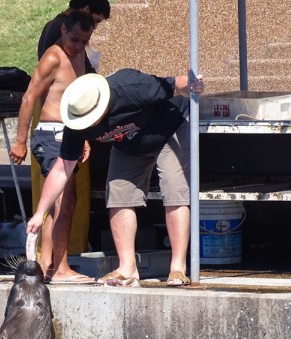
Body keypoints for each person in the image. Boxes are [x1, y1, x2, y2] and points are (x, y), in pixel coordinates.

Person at [26, 70, 205, 287]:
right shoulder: (76, 122)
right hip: (128, 143)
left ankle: (177, 268)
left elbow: (177, 84)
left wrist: (194, 85)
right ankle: (127, 268)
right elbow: (62, 169)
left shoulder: (129, 87)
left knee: (174, 189)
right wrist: (39, 213)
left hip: (170, 127)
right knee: (119, 194)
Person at [11, 11, 95, 284]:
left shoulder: (81, 56)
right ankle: (59, 268)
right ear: (62, 30)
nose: (77, 45)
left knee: (65, 202)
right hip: (50, 134)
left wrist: (82, 137)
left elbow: (78, 101)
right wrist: (20, 141)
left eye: (84, 41)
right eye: (73, 39)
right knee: (63, 201)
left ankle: (49, 263)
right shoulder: (53, 56)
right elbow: (28, 98)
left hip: (70, 133)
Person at [38, 0, 111, 66]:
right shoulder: (68, 31)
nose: (94, 27)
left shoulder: (55, 24)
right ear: (87, 10)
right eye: (96, 21)